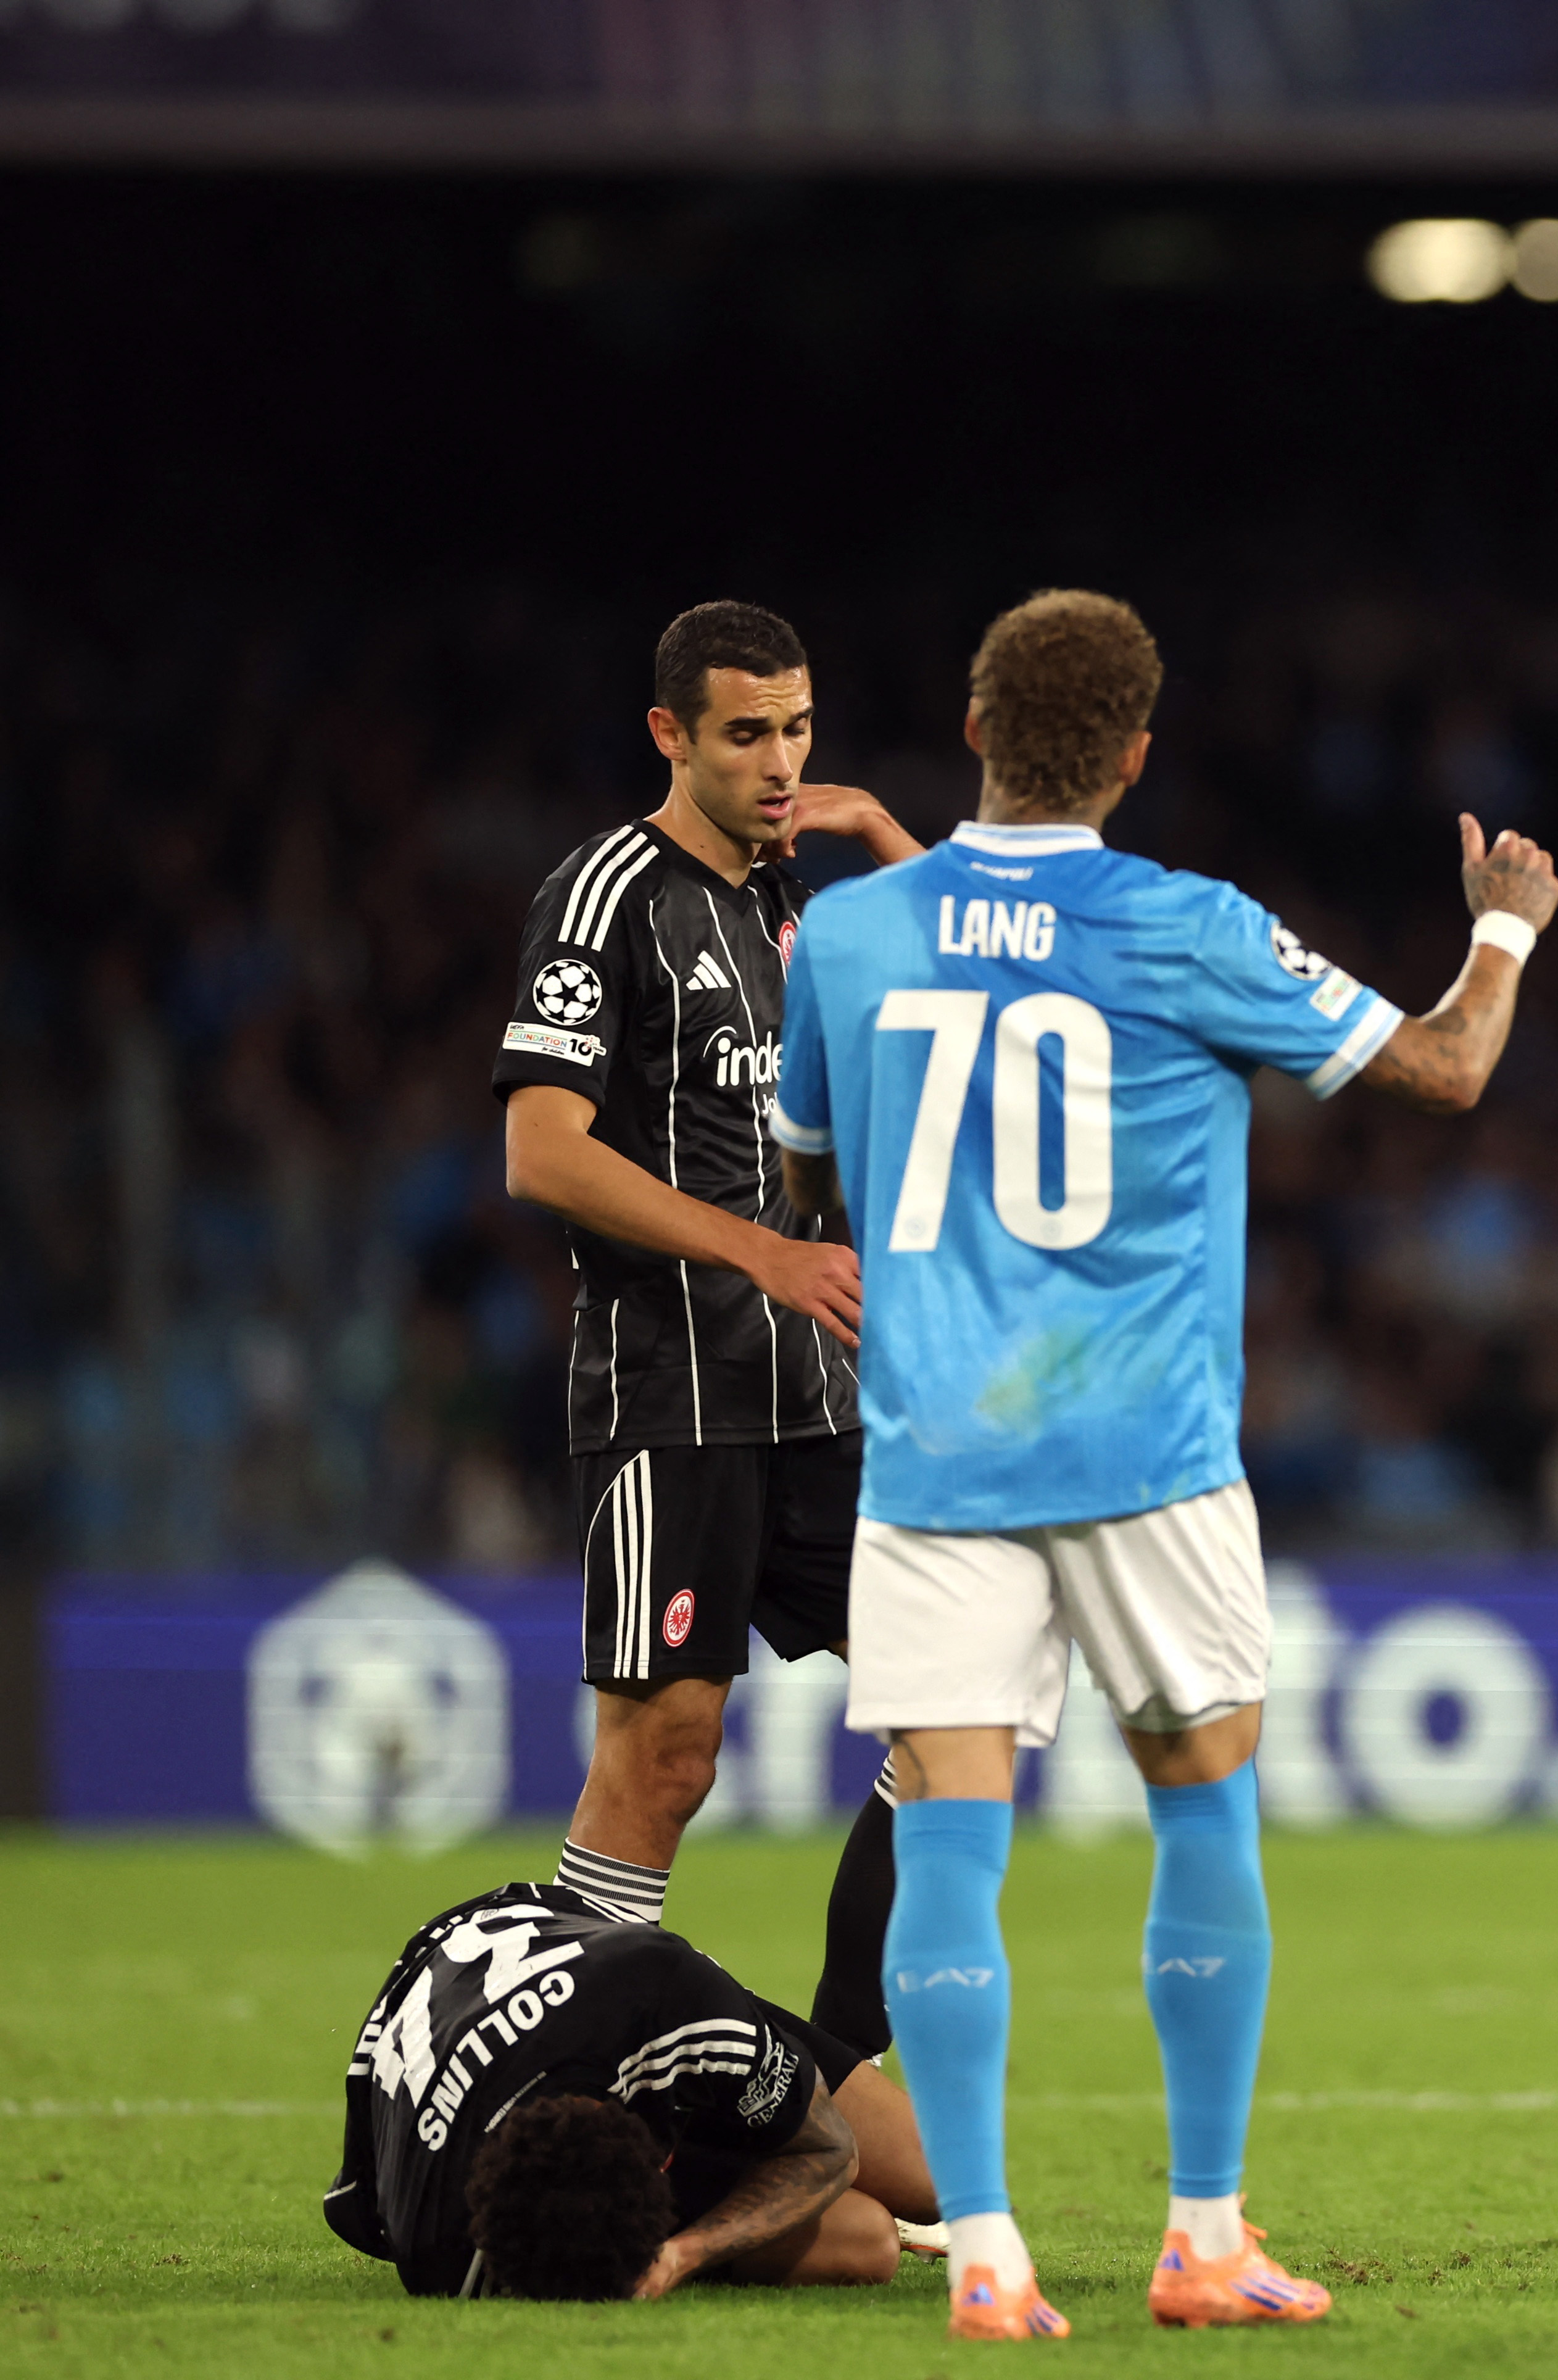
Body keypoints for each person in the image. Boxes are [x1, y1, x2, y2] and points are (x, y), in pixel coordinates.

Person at [771, 587, 1558, 2341]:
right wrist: (1500, 932)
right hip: (1144, 1454)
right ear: (1135, 755)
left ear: (973, 729)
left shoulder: (844, 934)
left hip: (934, 1460)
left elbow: (809, 1163)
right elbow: (1441, 1070)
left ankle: (982, 2258)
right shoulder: (1192, 926)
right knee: (1201, 1811)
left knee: (950, 1845)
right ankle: (1201, 2237)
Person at [492, 600, 922, 2053]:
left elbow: (990, 995)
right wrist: (760, 1252)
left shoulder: (795, 898)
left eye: (799, 730)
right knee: (664, 1757)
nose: (780, 761)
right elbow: (542, 1151)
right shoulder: (606, 894)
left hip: (823, 1399)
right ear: (672, 733)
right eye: (749, 734)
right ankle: (559, 2089)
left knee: (958, 1700)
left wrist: (883, 839)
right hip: (668, 1395)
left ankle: (839, 2073)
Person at [323, 1878, 944, 2299]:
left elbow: (831, 2148)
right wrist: (669, 2256)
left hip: (581, 1963)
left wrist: (684, 2253)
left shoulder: (675, 1998)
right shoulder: (440, 2246)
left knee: (932, 2176)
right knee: (867, 2243)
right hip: (489, 2009)